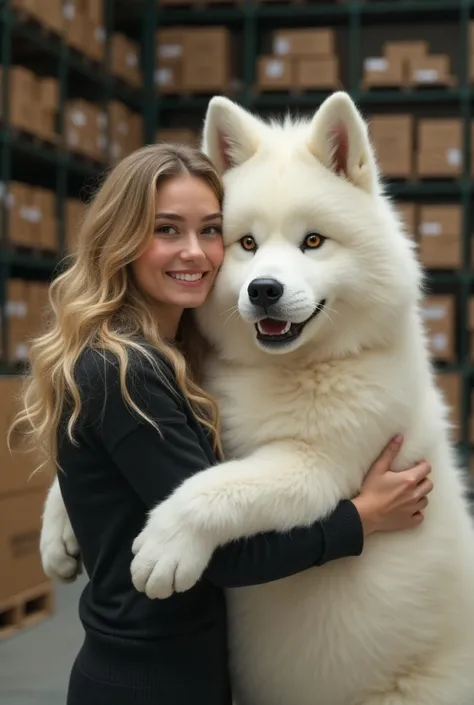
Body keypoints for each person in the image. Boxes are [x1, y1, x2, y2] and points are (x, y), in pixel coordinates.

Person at [11, 144, 433, 705]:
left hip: (186, 668)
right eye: (167, 230)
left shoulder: (174, 356)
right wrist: (362, 517)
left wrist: (70, 492)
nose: (195, 252)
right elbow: (230, 556)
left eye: (212, 231)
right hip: (146, 679)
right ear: (122, 240)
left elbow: (130, 464)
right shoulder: (124, 369)